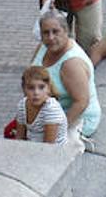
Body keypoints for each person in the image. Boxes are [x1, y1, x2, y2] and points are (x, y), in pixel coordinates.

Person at [30, 8, 100, 139]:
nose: (51, 37)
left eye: (55, 32)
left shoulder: (71, 64)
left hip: (74, 118)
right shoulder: (44, 46)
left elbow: (81, 102)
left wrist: (56, 131)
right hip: (49, 112)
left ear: (66, 31)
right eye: (46, 33)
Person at [13, 66, 68, 145]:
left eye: (41, 87)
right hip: (31, 147)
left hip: (54, 152)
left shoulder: (51, 109)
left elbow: (48, 146)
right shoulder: (22, 105)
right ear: (24, 89)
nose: (36, 93)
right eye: (31, 88)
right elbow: (20, 138)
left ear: (48, 88)